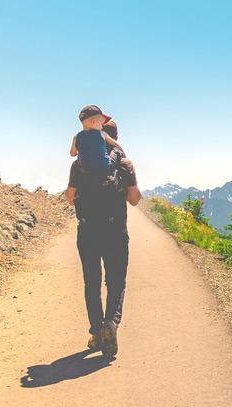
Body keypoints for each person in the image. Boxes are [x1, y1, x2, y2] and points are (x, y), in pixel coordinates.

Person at [65, 114, 142, 358]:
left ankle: (97, 331)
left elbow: (69, 197)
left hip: (87, 231)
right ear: (114, 138)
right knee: (116, 282)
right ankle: (111, 323)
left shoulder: (79, 165)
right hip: (116, 232)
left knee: (92, 283)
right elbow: (134, 200)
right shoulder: (124, 164)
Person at [70, 105, 126, 174]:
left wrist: (80, 152)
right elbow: (115, 144)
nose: (102, 127)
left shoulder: (76, 137)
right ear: (94, 122)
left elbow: (72, 154)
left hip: (85, 172)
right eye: (102, 124)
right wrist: (123, 152)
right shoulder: (102, 134)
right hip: (105, 169)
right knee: (116, 150)